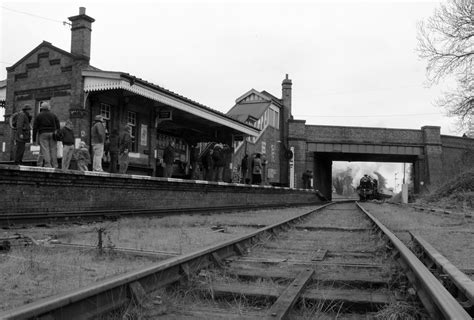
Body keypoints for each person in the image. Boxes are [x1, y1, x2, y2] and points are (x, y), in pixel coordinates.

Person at [33, 102, 60, 168]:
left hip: (43, 134)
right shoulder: (53, 115)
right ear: (48, 107)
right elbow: (58, 124)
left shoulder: (39, 116)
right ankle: (55, 165)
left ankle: (48, 165)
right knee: (53, 149)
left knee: (45, 149)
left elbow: (35, 128)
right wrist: (57, 132)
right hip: (52, 134)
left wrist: (34, 139)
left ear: (42, 107)